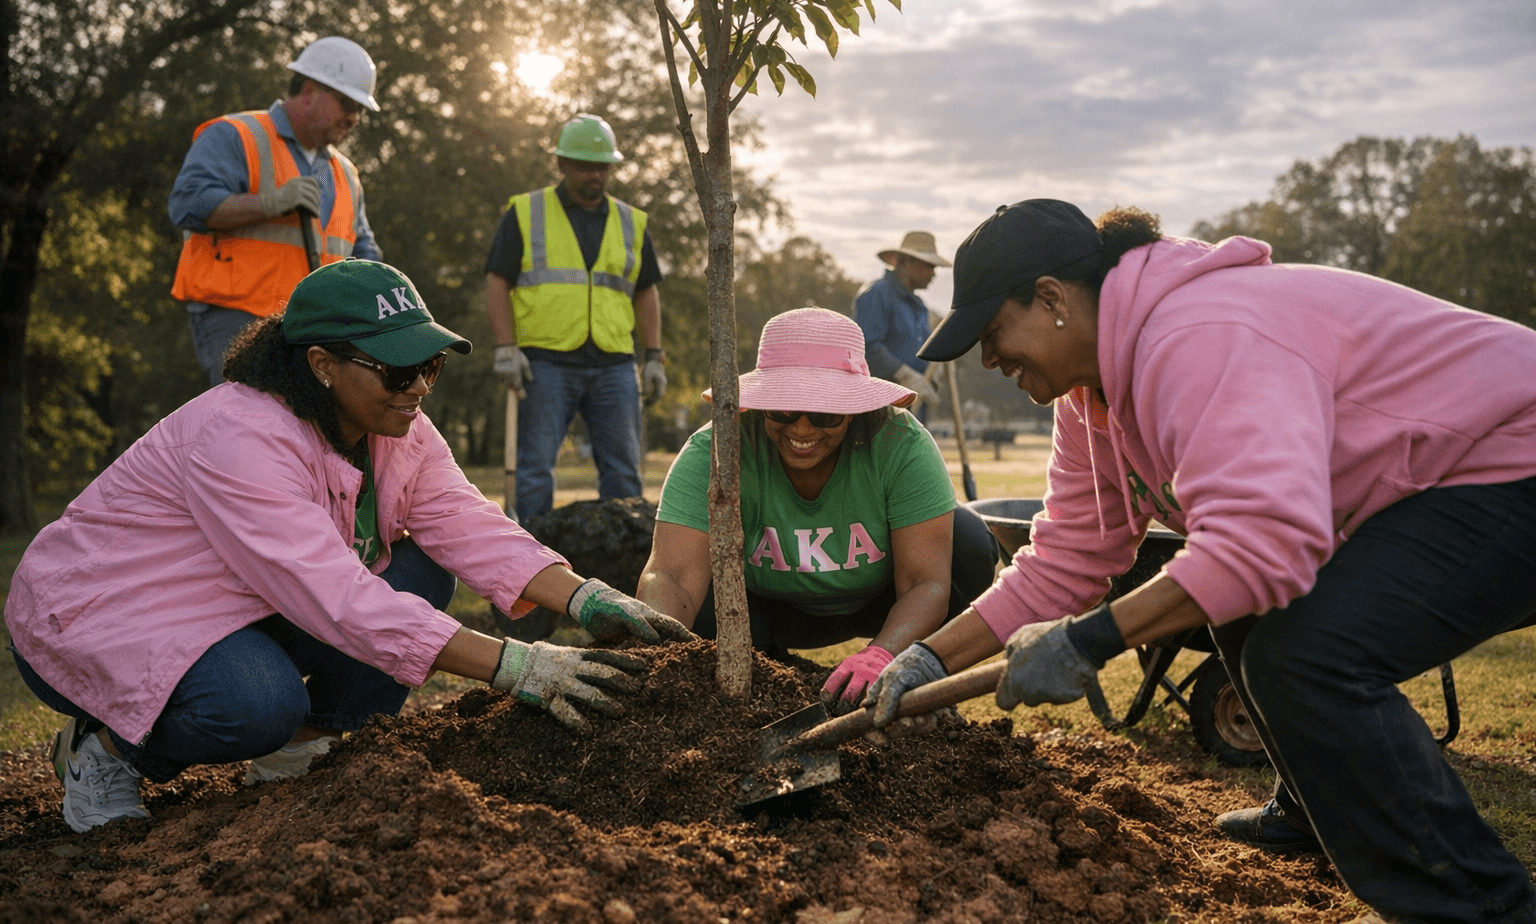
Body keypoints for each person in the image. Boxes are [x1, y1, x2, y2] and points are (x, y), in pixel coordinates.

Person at [866, 199, 1536, 924]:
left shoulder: (1198, 333)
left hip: (1512, 453)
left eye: (994, 333)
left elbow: (1261, 545)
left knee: (1305, 654)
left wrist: (1088, 640)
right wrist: (929, 659)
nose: (991, 360)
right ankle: (1315, 807)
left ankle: (1478, 907)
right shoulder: (1090, 399)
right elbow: (1066, 557)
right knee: (1242, 611)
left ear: (1053, 299)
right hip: (1447, 481)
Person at [6, 259, 688, 834]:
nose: (419, 386)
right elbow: (335, 597)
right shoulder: (240, 436)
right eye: (398, 372)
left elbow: (467, 522)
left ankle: (305, 747)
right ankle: (107, 754)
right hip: (100, 615)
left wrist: (586, 596)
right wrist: (518, 667)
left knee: (419, 572)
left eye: (430, 366)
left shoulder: (400, 428)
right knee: (257, 705)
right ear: (323, 364)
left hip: (231, 606)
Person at [636, 307, 1001, 713]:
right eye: (783, 410)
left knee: (968, 541)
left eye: (826, 413)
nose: (803, 430)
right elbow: (672, 575)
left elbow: (925, 583)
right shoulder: (715, 451)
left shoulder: (901, 445)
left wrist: (884, 654)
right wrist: (655, 653)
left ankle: (917, 681)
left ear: (855, 407)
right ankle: (752, 679)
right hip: (762, 610)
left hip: (881, 601)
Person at [170, 36, 386, 386]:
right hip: (239, 318)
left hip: (314, 330)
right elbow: (187, 205)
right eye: (346, 102)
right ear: (309, 91)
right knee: (251, 428)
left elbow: (363, 251)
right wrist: (272, 203)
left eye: (360, 109)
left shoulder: (346, 173)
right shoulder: (235, 135)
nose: (354, 117)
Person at [484, 113, 667, 523]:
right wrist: (505, 347)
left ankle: (628, 567)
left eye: (602, 166)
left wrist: (654, 355)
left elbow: (646, 290)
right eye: (585, 166)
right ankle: (533, 571)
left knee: (623, 474)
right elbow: (497, 280)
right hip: (545, 361)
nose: (594, 175)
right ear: (562, 164)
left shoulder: (631, 222)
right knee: (534, 472)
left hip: (614, 363)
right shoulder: (526, 212)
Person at [852, 230, 950, 418]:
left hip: (914, 409)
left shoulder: (919, 306)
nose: (934, 274)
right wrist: (906, 376)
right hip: (883, 410)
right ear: (908, 262)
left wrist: (932, 377)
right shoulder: (876, 295)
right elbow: (868, 348)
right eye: (930, 266)